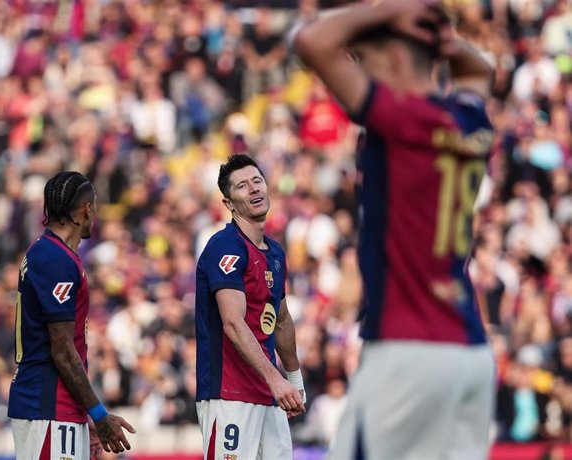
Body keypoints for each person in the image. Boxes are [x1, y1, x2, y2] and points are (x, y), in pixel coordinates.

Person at [294, 1, 496, 459]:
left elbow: (310, 40)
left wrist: (389, 11)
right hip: (470, 351)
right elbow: (480, 71)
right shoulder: (468, 120)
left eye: (367, 63)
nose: (363, 75)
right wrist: (446, 42)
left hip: (407, 350)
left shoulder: (402, 119)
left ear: (398, 59)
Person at [8, 171, 135, 459]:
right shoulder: (57, 260)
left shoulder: (46, 252)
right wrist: (100, 414)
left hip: (56, 405)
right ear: (87, 209)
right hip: (48, 405)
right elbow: (62, 349)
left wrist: (84, 414)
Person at [194, 154, 306, 460]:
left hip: (269, 396)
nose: (254, 189)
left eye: (257, 181)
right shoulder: (225, 246)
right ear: (229, 203)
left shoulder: (276, 253)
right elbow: (232, 323)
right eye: (242, 186)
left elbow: (280, 319)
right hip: (229, 394)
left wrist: (293, 380)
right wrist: (276, 380)